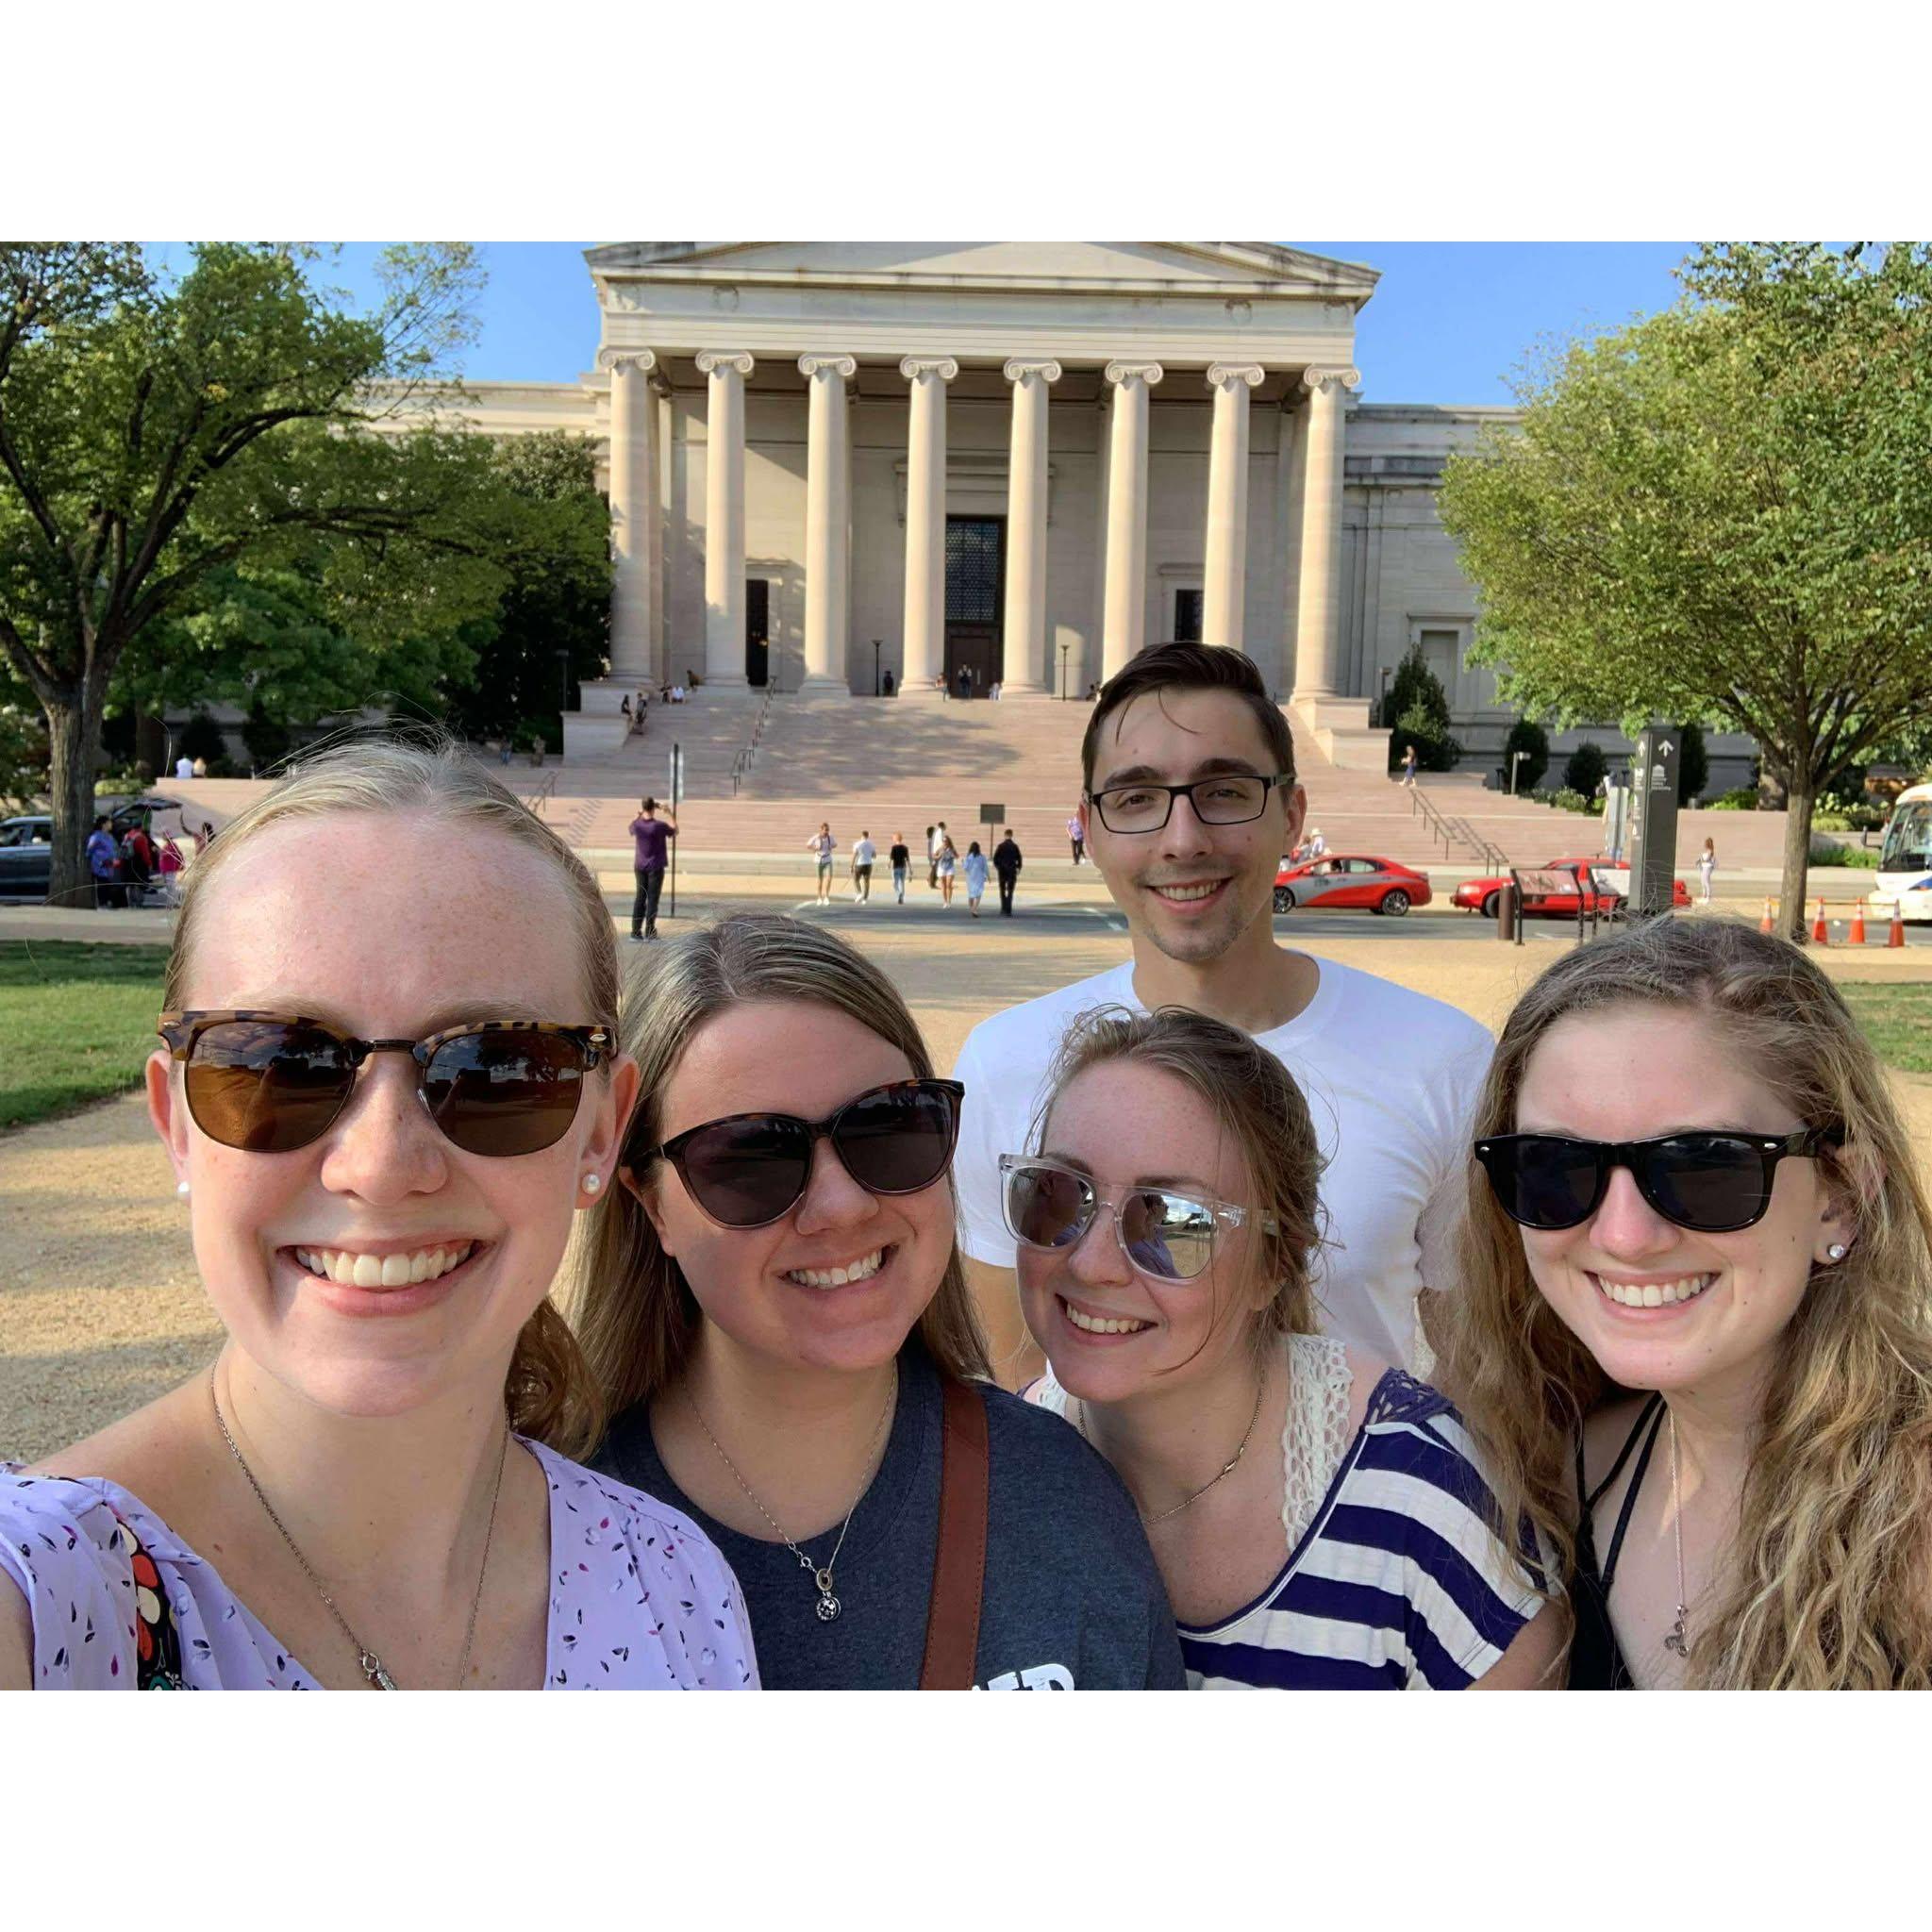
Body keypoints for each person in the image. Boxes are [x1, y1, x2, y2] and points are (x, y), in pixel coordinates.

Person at [0, 739, 755, 1690]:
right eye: (280, 1062)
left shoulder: (675, 1583)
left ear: (601, 1132)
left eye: (495, 1069)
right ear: (177, 1123)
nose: (383, 1165)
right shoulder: (46, 1601)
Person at [570, 914, 1185, 1690]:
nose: (842, 1207)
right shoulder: (535, 1542)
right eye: (751, 1157)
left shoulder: (1063, 1498)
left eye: (889, 1127)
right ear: (650, 1204)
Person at [952, 643, 1492, 1389]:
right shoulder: (1000, 1063)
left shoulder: (1445, 1059)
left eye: (1227, 792)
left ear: (1292, 816)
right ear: (1089, 829)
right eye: (1136, 799)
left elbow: (1472, 1369)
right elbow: (1012, 1373)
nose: (1183, 840)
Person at [1430, 917, 1932, 1689]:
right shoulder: (1567, 1473)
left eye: (1704, 1166)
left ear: (1840, 1198)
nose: (1625, 1236)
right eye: (1556, 1167)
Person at [1013, 1007, 1561, 1689]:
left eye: (1174, 1221)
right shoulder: (993, 1479)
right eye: (1059, 1195)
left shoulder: (1428, 1506)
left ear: (1275, 1266)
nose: (1092, 1264)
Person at [628, 795, 676, 942]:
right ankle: (650, 932)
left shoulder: (637, 825)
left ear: (643, 808)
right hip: (655, 865)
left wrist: (638, 815)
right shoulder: (659, 826)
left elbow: (630, 827)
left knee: (640, 898)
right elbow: (675, 830)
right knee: (652, 899)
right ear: (653, 808)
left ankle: (635, 932)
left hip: (639, 865)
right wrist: (669, 813)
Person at [86, 815, 122, 909]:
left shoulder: (110, 836)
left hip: (110, 865)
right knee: (102, 884)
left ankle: (107, 903)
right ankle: (102, 904)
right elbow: (89, 850)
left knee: (110, 884)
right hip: (100, 865)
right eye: (109, 822)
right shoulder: (96, 836)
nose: (111, 824)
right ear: (103, 824)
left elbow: (113, 849)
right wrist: (99, 858)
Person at [993, 826, 1023, 917]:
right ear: (1011, 835)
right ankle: (1008, 909)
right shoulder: (1015, 847)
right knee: (1010, 890)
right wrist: (1018, 868)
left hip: (1002, 870)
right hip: (1011, 870)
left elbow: (995, 859)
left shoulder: (1001, 846)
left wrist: (998, 867)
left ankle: (1003, 908)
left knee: (1002, 890)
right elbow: (1019, 858)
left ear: (1005, 835)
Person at [807, 822, 836, 906]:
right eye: (825, 830)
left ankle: (826, 897)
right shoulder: (816, 837)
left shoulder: (830, 837)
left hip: (828, 859)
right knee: (820, 879)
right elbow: (808, 845)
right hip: (818, 860)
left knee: (829, 878)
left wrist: (831, 846)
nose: (827, 832)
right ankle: (819, 897)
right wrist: (815, 847)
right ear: (821, 830)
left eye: (828, 830)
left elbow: (835, 844)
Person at [963, 841, 989, 917]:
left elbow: (965, 868)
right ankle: (974, 909)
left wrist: (963, 862)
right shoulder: (982, 857)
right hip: (979, 877)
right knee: (978, 894)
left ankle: (972, 909)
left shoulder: (968, 857)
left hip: (971, 878)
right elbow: (985, 868)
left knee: (971, 894)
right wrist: (987, 876)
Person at [852, 829, 876, 905]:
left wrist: (851, 865)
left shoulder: (857, 844)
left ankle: (859, 893)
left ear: (862, 836)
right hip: (868, 864)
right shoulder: (871, 844)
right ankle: (865, 899)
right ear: (868, 836)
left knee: (856, 879)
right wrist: (868, 855)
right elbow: (874, 855)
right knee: (866, 881)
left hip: (860, 864)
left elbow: (854, 855)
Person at [937, 829, 958, 907]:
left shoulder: (952, 849)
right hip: (941, 867)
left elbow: (957, 856)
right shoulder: (940, 848)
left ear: (949, 841)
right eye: (943, 841)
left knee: (948, 884)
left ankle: (949, 901)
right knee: (943, 885)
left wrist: (954, 855)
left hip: (950, 867)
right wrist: (939, 856)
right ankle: (945, 901)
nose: (944, 842)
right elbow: (934, 856)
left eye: (946, 841)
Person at [889, 832, 911, 905]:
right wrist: (910, 869)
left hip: (896, 867)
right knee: (902, 883)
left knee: (895, 884)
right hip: (903, 867)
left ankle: (899, 894)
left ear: (896, 838)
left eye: (893, 838)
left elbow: (891, 858)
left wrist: (889, 865)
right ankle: (901, 898)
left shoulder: (894, 848)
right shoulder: (905, 848)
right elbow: (908, 859)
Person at [928, 822, 947, 892]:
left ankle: (931, 881)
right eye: (945, 825)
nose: (946, 827)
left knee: (935, 868)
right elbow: (940, 844)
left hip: (936, 851)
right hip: (936, 852)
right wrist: (943, 848)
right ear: (942, 826)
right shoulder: (939, 832)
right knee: (935, 868)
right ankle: (932, 883)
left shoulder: (939, 832)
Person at [1697, 837, 1716, 907]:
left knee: (1706, 882)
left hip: (1708, 867)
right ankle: (1704, 896)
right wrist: (1700, 860)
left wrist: (1702, 860)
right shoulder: (1707, 851)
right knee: (1702, 881)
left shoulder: (1710, 851)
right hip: (1704, 867)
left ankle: (1708, 897)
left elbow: (1707, 859)